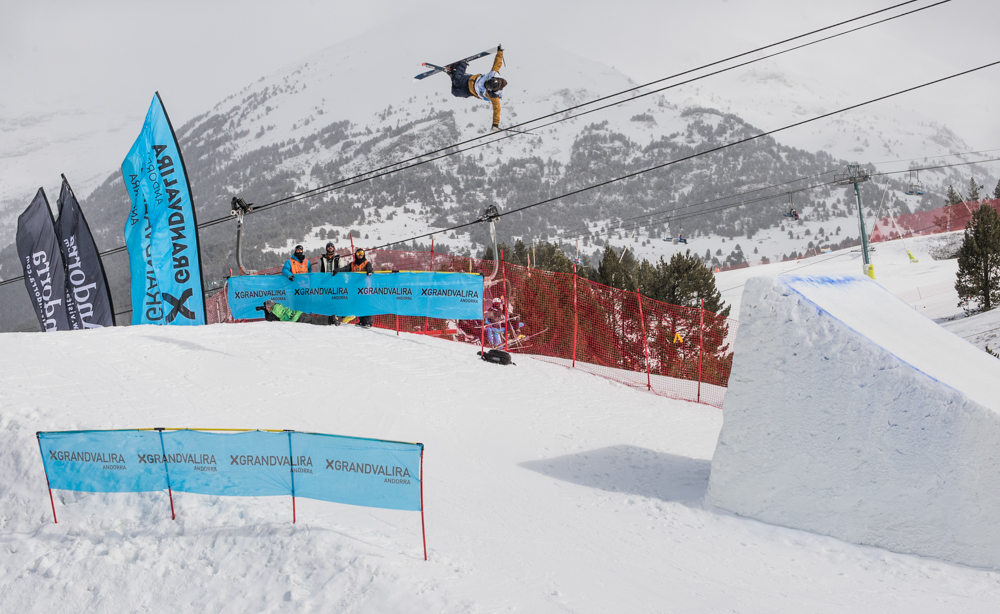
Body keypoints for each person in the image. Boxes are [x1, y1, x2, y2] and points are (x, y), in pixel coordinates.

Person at [445, 45, 507, 131]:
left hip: (471, 92)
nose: (485, 85)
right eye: (486, 83)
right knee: (457, 81)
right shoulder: (493, 73)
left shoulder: (494, 95)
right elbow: (498, 62)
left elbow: (497, 110)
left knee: (455, 92)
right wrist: (500, 51)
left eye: (487, 87)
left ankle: (452, 74)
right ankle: (462, 64)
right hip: (471, 80)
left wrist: (495, 124)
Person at [338, 247, 375, 327]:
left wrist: (369, 271)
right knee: (358, 304)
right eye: (358, 253)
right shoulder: (352, 264)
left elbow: (370, 268)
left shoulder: (366, 263)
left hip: (364, 288)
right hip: (355, 288)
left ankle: (368, 322)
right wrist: (338, 270)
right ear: (356, 255)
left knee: (365, 304)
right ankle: (361, 321)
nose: (360, 255)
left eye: (362, 253)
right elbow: (345, 269)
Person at [257, 300, 339, 326]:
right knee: (314, 319)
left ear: (269, 307)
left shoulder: (274, 311)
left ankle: (331, 319)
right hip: (298, 313)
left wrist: (264, 310)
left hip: (296, 318)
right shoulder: (278, 305)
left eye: (267, 308)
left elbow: (268, 319)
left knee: (314, 322)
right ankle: (332, 318)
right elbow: (272, 304)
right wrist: (264, 307)